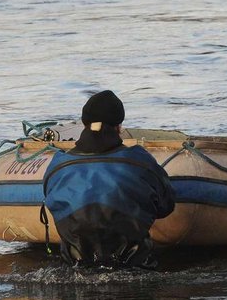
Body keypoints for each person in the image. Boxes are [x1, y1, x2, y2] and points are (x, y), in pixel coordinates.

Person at [42, 90, 175, 269]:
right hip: (132, 269)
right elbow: (166, 206)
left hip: (75, 269)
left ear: (84, 124)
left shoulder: (58, 165)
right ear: (119, 127)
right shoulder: (139, 160)